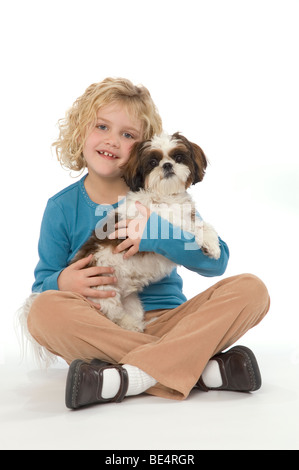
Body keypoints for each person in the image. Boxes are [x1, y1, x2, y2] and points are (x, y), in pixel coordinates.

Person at [26, 77, 270, 409]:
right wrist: (63, 281)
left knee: (252, 290)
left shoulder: (164, 194)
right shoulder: (61, 208)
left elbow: (216, 261)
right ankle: (198, 368)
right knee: (42, 311)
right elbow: (42, 284)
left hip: (171, 322)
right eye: (102, 127)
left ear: (142, 148)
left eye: (128, 135)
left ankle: (121, 378)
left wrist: (155, 234)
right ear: (81, 131)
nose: (113, 140)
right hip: (104, 324)